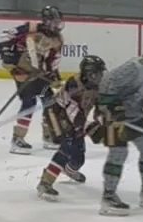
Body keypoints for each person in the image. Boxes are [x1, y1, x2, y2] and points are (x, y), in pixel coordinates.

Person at [93, 36, 143, 216]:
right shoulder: (136, 67)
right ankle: (108, 196)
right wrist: (110, 107)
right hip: (111, 112)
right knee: (119, 152)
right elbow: (108, 81)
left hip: (134, 112)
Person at [36, 54, 106, 202]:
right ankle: (45, 182)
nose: (101, 76)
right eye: (98, 73)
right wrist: (90, 128)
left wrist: (105, 123)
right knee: (67, 146)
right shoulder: (74, 85)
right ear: (90, 74)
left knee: (78, 158)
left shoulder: (98, 86)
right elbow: (74, 115)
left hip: (75, 119)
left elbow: (100, 110)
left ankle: (68, 170)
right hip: (57, 114)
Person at [0, 6, 65, 155]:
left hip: (39, 74)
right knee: (29, 102)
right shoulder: (31, 28)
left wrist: (54, 75)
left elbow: (54, 60)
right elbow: (5, 37)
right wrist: (7, 55)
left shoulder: (57, 39)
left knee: (49, 101)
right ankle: (17, 139)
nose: (57, 25)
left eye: (58, 22)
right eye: (54, 22)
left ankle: (49, 135)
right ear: (46, 21)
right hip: (23, 72)